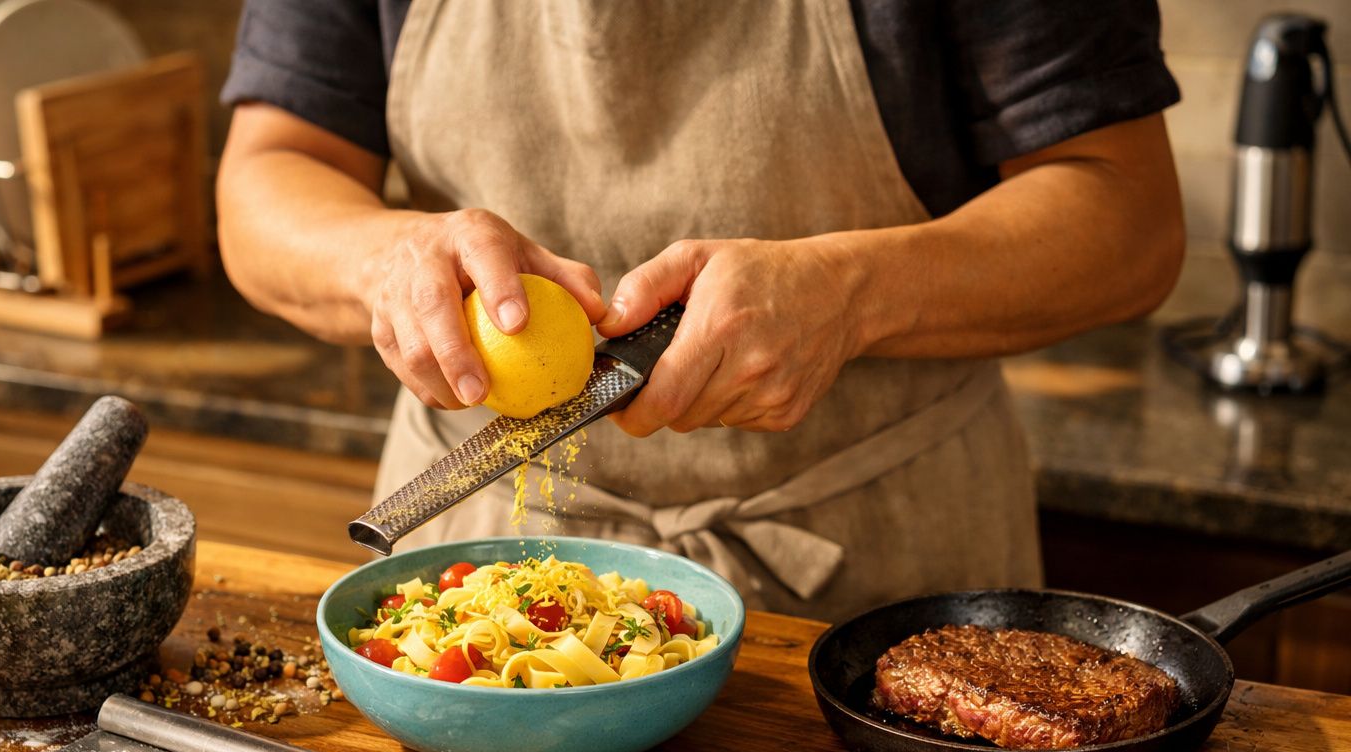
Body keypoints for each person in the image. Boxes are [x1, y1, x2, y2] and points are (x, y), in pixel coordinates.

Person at [217, 1, 1185, 621]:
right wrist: (386, 260)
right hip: (477, 581)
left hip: (876, 586)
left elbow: (1127, 216)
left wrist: (852, 295)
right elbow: (268, 177)